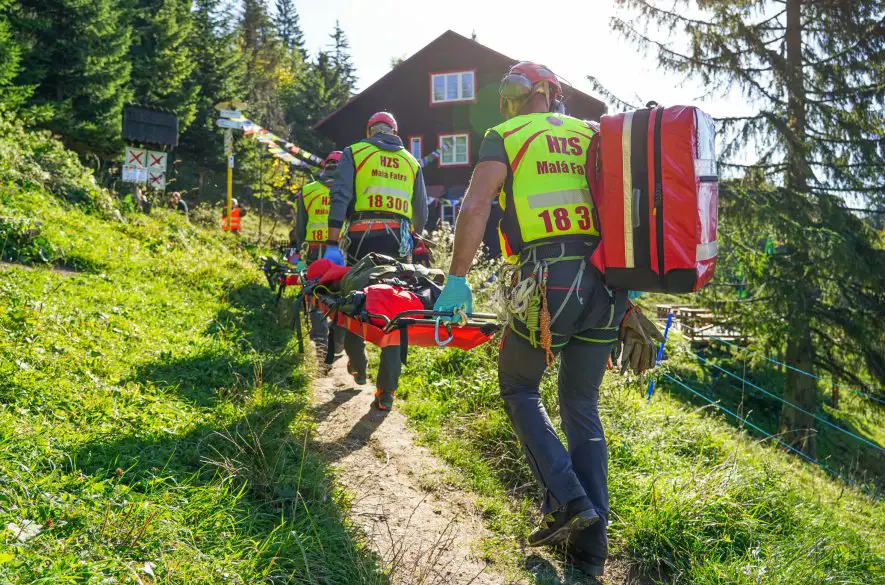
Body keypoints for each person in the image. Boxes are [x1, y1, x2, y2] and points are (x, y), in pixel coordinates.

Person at [433, 62, 663, 577]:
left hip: (550, 280)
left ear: (519, 96)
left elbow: (475, 205)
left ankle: (568, 499)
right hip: (607, 287)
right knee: (581, 405)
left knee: (518, 387)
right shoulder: (594, 135)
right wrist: (625, 299)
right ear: (555, 95)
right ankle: (591, 551)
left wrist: (457, 278)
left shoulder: (506, 134)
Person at [325, 111, 428, 411]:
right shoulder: (412, 161)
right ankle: (387, 390)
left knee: (356, 298)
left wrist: (332, 242)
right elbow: (420, 212)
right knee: (396, 307)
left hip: (360, 239)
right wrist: (413, 239)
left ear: (370, 131)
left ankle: (358, 366)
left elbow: (341, 196)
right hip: (398, 241)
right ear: (395, 131)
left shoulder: (354, 152)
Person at [293, 151, 345, 363]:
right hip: (341, 252)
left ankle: (321, 345)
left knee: (316, 297)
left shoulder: (308, 190)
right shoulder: (348, 190)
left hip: (315, 252)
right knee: (343, 299)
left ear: (325, 166)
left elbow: (300, 228)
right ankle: (338, 345)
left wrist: (300, 252)